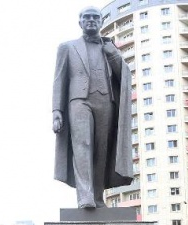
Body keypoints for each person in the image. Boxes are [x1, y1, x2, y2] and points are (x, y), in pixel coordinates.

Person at [52, 6, 133, 208]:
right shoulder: (67, 47)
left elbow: (123, 76)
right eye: (86, 17)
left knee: (101, 149)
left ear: (101, 22)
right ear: (80, 22)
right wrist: (56, 111)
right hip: (78, 101)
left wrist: (113, 54)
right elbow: (59, 80)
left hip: (106, 101)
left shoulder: (109, 47)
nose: (91, 20)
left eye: (95, 17)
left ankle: (97, 197)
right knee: (82, 145)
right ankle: (85, 196)